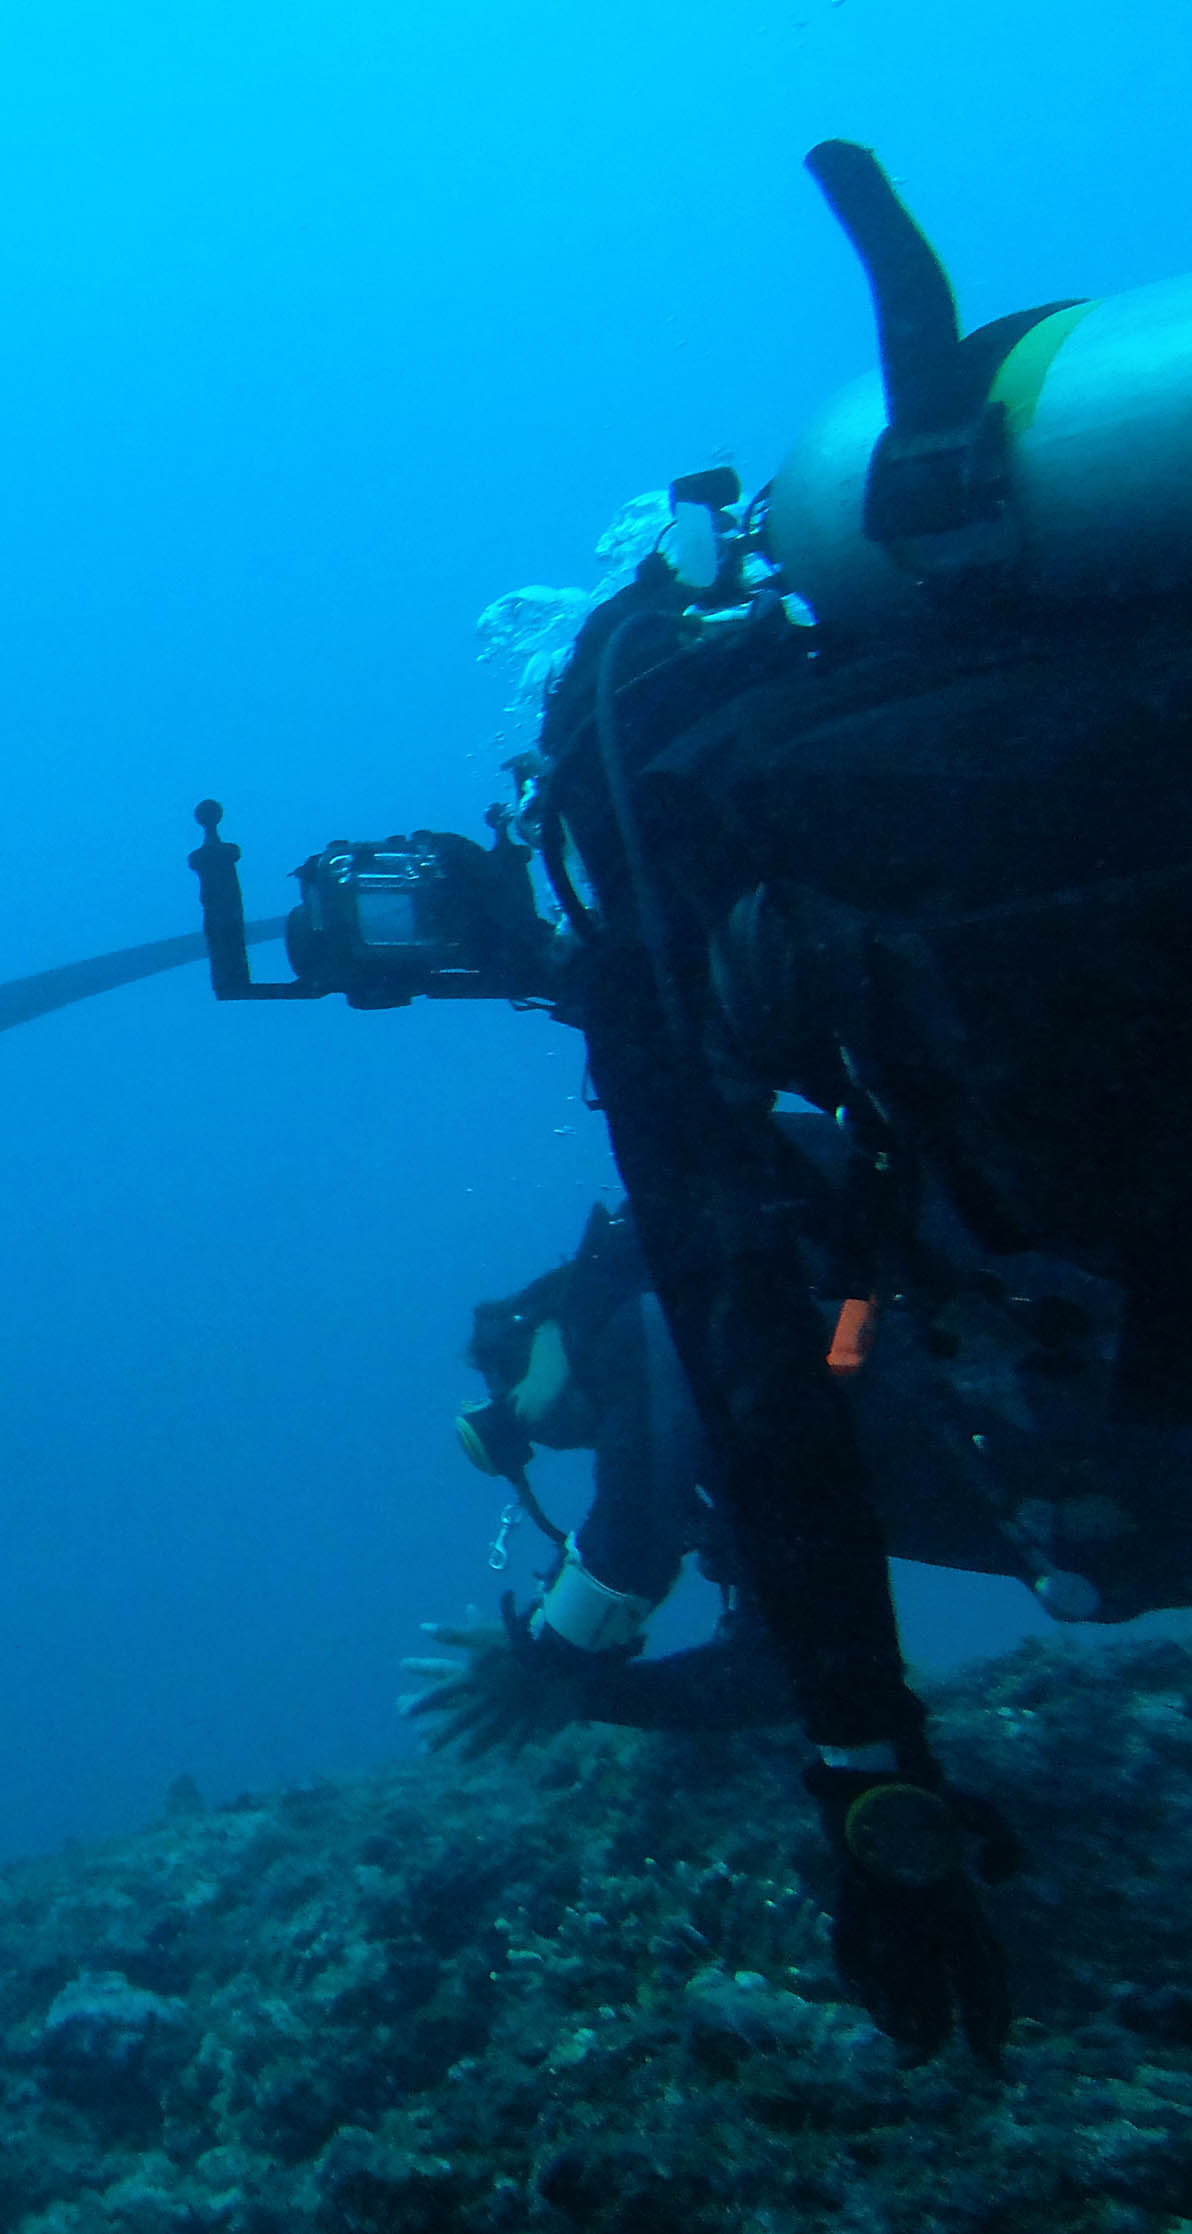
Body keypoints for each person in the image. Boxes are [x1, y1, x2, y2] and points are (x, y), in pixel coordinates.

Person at [189, 140, 1192, 2064]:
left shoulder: (671, 910)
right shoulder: (877, 775)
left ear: (561, 816)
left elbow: (715, 1345)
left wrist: (855, 1784)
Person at [405, 1178, 1192, 1754]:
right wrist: (587, 1695)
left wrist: (550, 1660)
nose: (543, 1432)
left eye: (509, 1391)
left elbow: (632, 1538)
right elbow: (779, 1672)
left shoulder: (643, 1309)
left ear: (538, 1326)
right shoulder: (746, 1446)